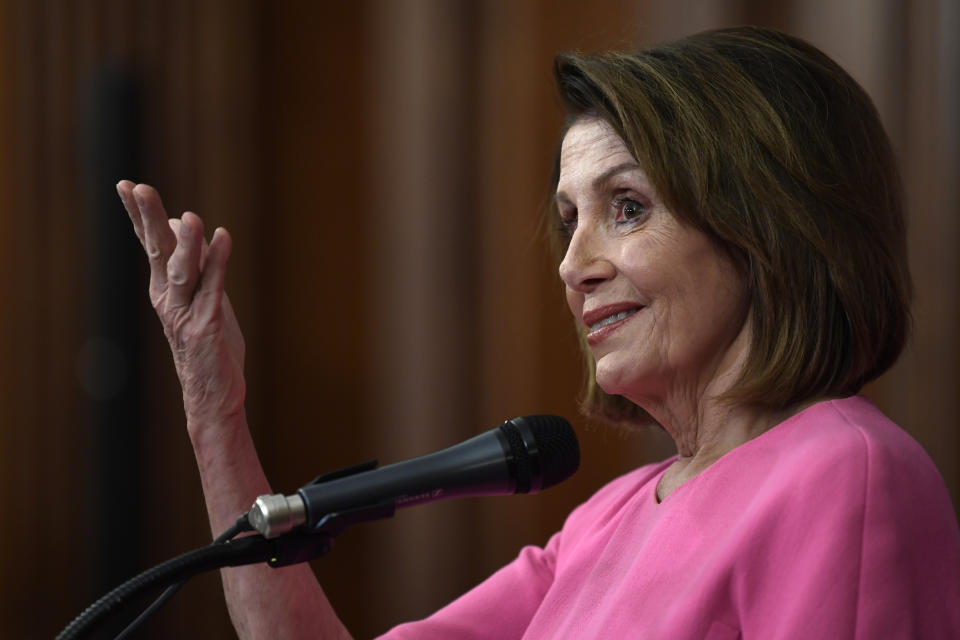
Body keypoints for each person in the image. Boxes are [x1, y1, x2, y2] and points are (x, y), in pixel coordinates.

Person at [116, 25, 960, 639]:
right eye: (570, 221)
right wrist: (214, 412)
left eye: (627, 208)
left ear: (771, 224)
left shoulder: (843, 472)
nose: (572, 265)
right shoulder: (610, 519)